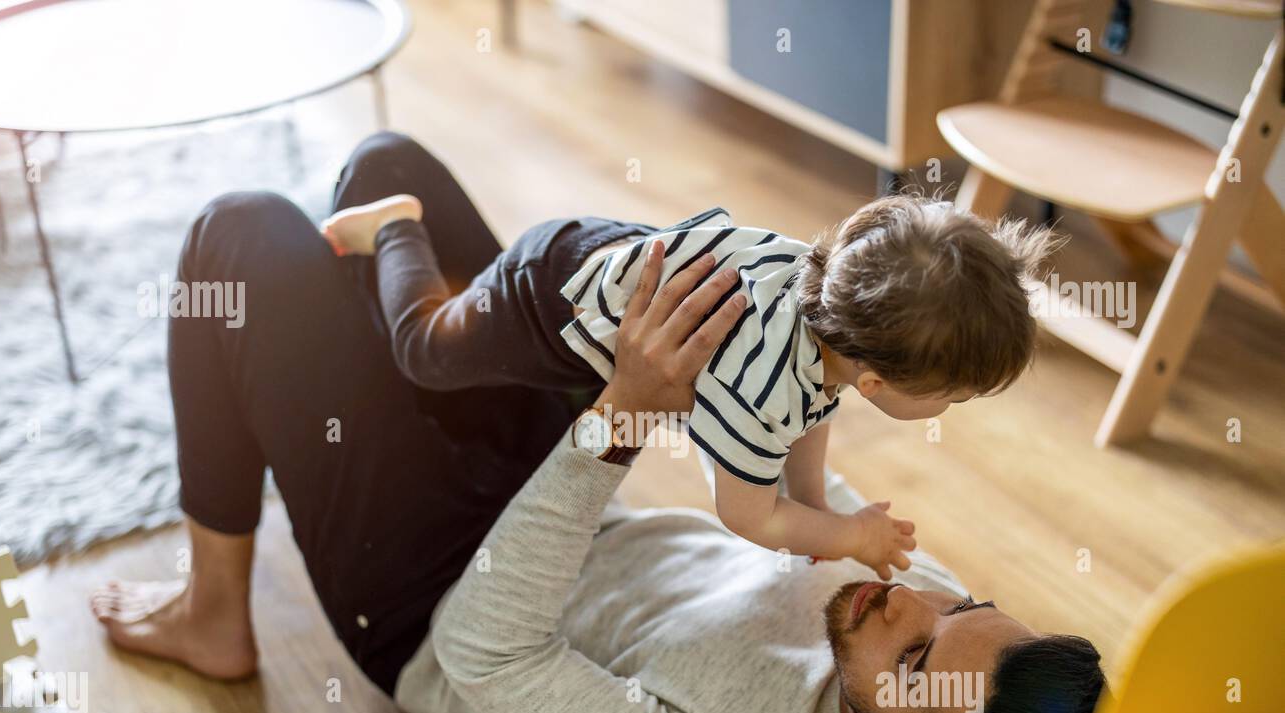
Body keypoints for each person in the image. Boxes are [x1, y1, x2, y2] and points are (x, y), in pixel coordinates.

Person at [91, 132, 1107, 713]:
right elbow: (806, 474)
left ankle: (213, 608)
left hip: (433, 597)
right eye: (961, 600)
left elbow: (487, 648)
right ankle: (369, 343)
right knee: (386, 166)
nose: (909, 597)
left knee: (241, 231)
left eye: (919, 653)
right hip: (571, 497)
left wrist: (625, 413)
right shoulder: (922, 630)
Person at [321, 190, 1056, 579]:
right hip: (543, 303)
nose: (952, 406)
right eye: (952, 395)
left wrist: (813, 498)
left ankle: (434, 246)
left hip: (597, 249)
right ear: (873, 379)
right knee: (424, 350)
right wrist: (849, 535)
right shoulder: (761, 387)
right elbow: (747, 515)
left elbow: (810, 410)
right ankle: (396, 227)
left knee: (487, 353)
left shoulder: (829, 291)